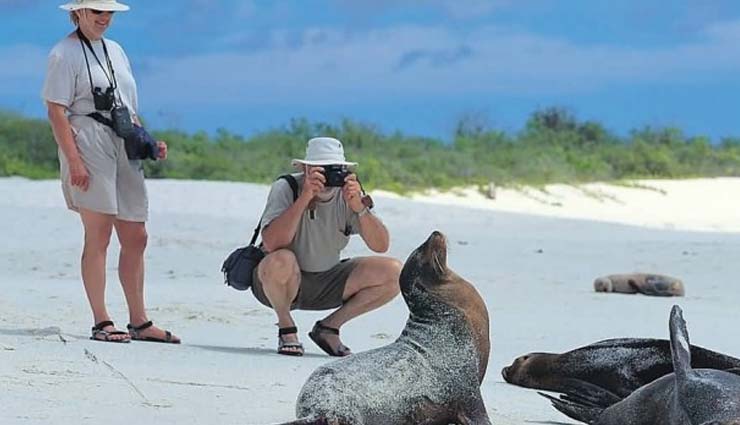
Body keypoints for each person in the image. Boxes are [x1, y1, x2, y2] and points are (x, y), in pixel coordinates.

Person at [42, 0, 179, 344]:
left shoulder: (116, 50)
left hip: (123, 140)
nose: (104, 18)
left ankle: (140, 320)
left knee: (137, 235)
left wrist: (147, 141)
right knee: (99, 232)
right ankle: (101, 320)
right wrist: (74, 160)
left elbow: (127, 107)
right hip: (87, 140)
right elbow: (57, 111)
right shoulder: (63, 53)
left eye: (108, 13)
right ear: (79, 13)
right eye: (97, 12)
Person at [252, 137, 401, 356]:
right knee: (281, 259)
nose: (328, 176)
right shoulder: (287, 188)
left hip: (328, 279)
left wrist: (359, 209)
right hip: (276, 282)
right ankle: (286, 327)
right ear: (305, 168)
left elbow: (381, 245)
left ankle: (329, 328)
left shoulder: (349, 195)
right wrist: (304, 198)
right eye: (321, 169)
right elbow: (272, 243)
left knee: (395, 272)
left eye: (334, 169)